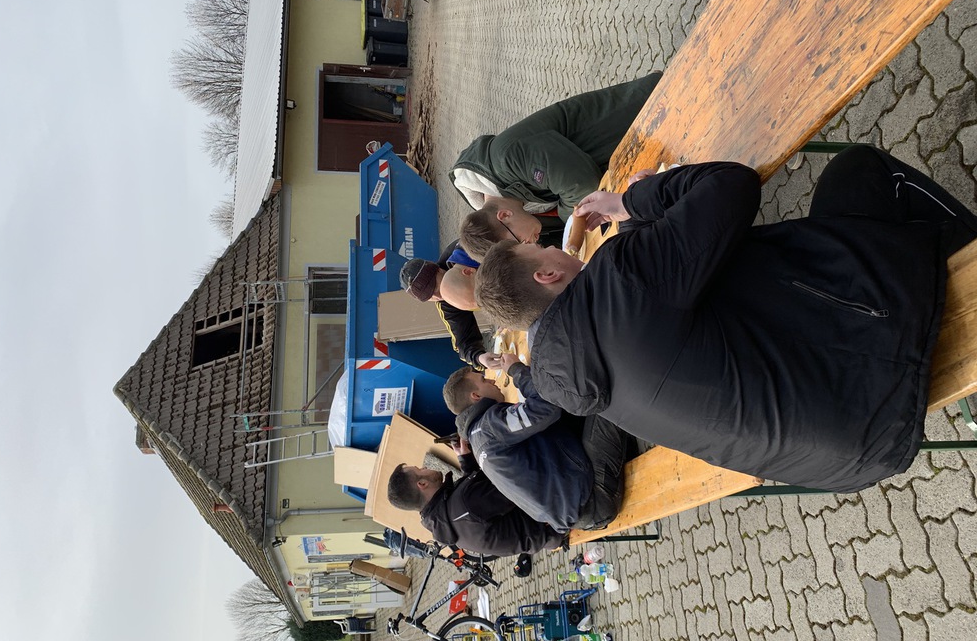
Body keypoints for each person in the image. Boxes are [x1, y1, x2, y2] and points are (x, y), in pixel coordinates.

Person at [474, 145, 977, 494]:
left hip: (844, 458)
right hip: (876, 375)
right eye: (543, 250)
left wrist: (645, 229)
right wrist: (635, 200)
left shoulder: (567, 379)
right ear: (546, 275)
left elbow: (654, 302)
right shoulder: (619, 278)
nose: (552, 246)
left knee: (826, 216)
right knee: (860, 170)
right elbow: (733, 184)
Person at [451, 73, 663, 257]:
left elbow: (582, 184)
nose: (532, 242)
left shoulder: (506, 158)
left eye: (522, 241)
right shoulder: (510, 192)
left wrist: (571, 225)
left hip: (650, 112)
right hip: (638, 145)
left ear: (505, 216)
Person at [444, 354, 628, 533]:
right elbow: (548, 406)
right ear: (476, 395)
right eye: (484, 380)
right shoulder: (490, 427)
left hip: (576, 507)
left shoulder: (478, 437)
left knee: (579, 398)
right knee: (605, 393)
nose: (491, 381)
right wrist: (516, 370)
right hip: (594, 499)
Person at [386, 445, 565, 557]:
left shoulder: (444, 519)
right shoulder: (465, 503)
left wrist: (467, 462)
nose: (425, 466)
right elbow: (517, 483)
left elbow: (481, 498)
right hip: (557, 517)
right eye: (420, 469)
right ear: (422, 484)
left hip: (546, 530)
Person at [400, 242, 502, 370]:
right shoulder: (444, 302)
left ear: (438, 269)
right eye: (430, 297)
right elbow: (464, 341)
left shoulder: (465, 251)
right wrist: (479, 357)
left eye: (435, 287)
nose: (439, 296)